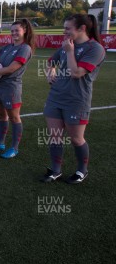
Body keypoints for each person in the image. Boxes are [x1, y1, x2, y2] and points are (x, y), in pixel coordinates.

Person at [41, 14, 106, 184]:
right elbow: (50, 62)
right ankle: (55, 170)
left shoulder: (95, 48)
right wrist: (50, 73)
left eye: (68, 28)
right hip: (55, 96)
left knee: (76, 139)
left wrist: (69, 52)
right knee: (55, 136)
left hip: (77, 100)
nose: (64, 31)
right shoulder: (65, 46)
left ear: (82, 29)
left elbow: (76, 73)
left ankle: (81, 171)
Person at [0, 19, 34, 159]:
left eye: (17, 30)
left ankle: (14, 148)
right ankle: (0, 143)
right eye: (12, 31)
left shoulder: (25, 48)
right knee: (1, 115)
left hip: (11, 87)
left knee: (14, 117)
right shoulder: (6, 47)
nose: (14, 33)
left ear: (25, 31)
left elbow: (12, 68)